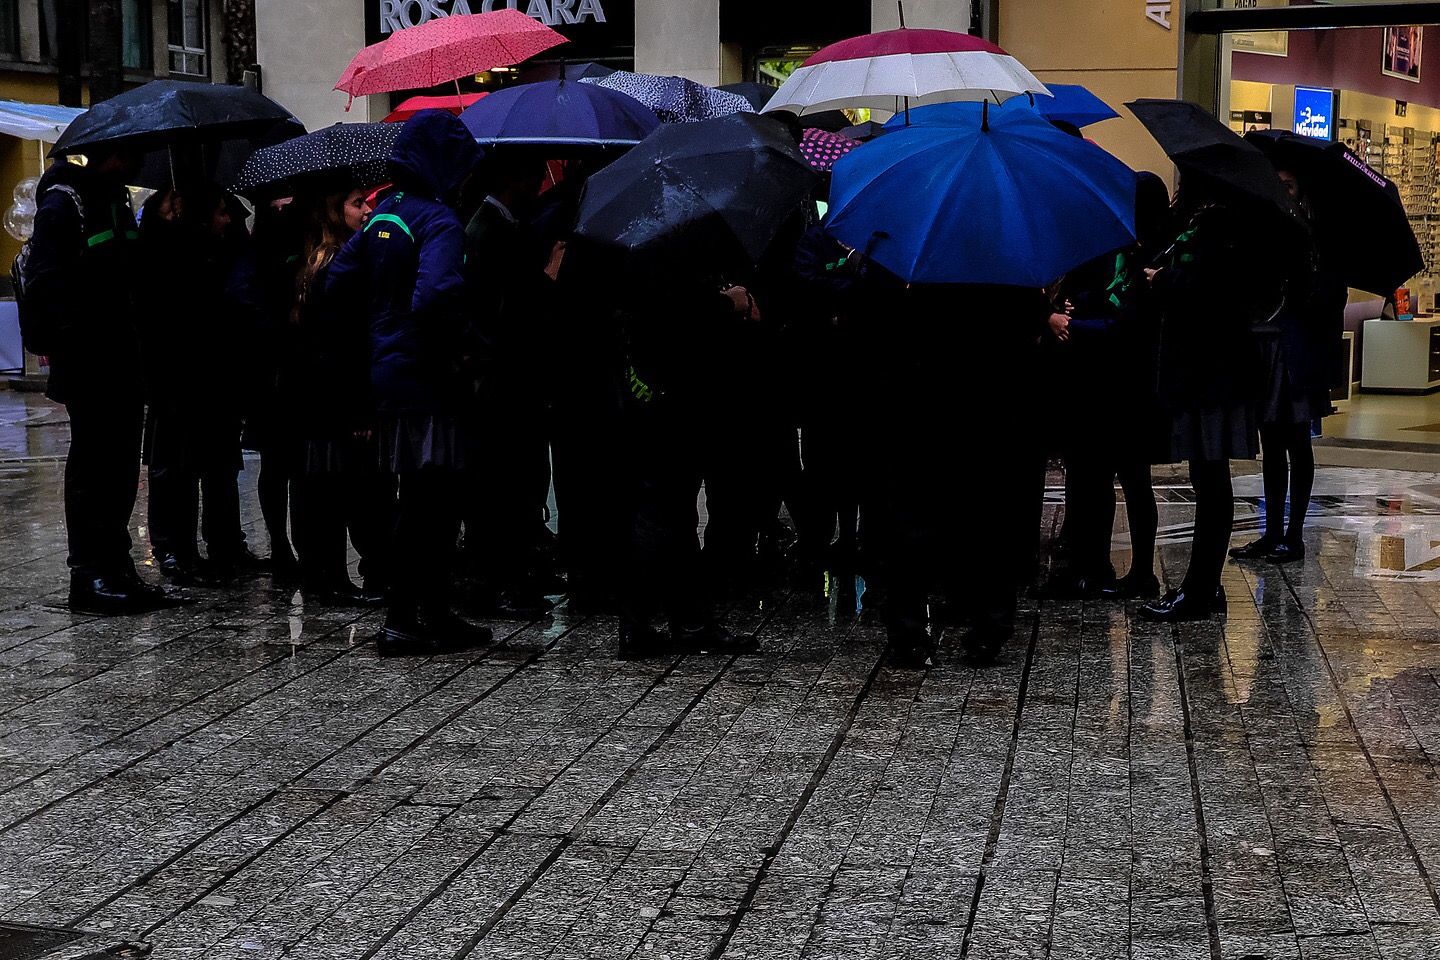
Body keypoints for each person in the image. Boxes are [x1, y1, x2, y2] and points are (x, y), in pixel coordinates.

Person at [326, 110, 489, 655]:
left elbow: (337, 282)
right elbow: (438, 294)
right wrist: (467, 343)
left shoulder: (383, 213)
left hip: (388, 372)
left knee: (417, 498)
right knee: (432, 501)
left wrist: (377, 328)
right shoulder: (438, 220)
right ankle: (408, 618)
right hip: (430, 379)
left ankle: (427, 612)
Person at [876, 278, 1053, 666]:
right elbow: (1032, 331)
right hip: (993, 410)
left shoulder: (925, 273)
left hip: (929, 407)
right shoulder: (1011, 275)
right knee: (990, 521)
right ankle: (990, 627)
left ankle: (909, 633)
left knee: (916, 522)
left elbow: (897, 333)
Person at [25, 146, 171, 614]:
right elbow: (51, 281)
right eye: (130, 155)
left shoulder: (113, 200)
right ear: (110, 154)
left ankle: (116, 565)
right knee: (95, 464)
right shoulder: (66, 202)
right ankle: (89, 574)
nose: (137, 163)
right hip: (90, 358)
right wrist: (75, 338)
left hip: (123, 355)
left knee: (122, 464)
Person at [1139, 179, 1285, 622]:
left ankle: (1201, 588)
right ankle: (1204, 585)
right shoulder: (1208, 224)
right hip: (1207, 371)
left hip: (1214, 373)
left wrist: (1165, 282)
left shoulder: (1224, 227)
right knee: (1206, 476)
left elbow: (1212, 295)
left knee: (1211, 476)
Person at [615, 273, 764, 660]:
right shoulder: (667, 252)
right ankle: (640, 622)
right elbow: (675, 308)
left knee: (672, 509)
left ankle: (685, 618)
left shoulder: (647, 240)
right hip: (670, 391)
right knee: (662, 506)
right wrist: (728, 302)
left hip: (660, 386)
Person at [1046, 172, 1171, 600]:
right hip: (1116, 383)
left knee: (1123, 478)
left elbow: (1127, 324)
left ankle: (1133, 571)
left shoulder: (1144, 258)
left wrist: (1076, 323)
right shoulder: (1132, 253)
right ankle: (1102, 566)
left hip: (1121, 383)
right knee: (1111, 477)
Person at [139, 186, 260, 584]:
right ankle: (176, 549)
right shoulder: (169, 252)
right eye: (222, 213)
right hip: (179, 378)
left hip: (213, 375)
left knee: (217, 463)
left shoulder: (221, 250)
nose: (228, 220)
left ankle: (219, 544)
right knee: (177, 465)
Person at [1229, 167, 1344, 566]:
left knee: (1297, 440)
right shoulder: (1265, 230)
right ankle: (1272, 530)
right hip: (1265, 345)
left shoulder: (1316, 239)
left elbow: (1329, 297)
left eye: (1290, 184)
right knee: (1272, 444)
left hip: (1296, 351)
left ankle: (1293, 534)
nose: (1282, 191)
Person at [461, 155, 557, 618]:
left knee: (511, 481)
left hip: (507, 374)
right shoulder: (491, 230)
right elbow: (504, 307)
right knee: (503, 482)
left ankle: (508, 576)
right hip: (504, 376)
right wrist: (546, 279)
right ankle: (499, 581)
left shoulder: (498, 225)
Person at [292, 185, 392, 606]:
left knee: (327, 489)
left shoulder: (317, 264)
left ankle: (324, 573)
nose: (367, 209)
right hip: (337, 396)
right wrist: (361, 409)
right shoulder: (338, 266)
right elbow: (345, 343)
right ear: (335, 212)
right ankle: (330, 576)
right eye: (356, 202)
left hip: (322, 395)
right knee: (342, 489)